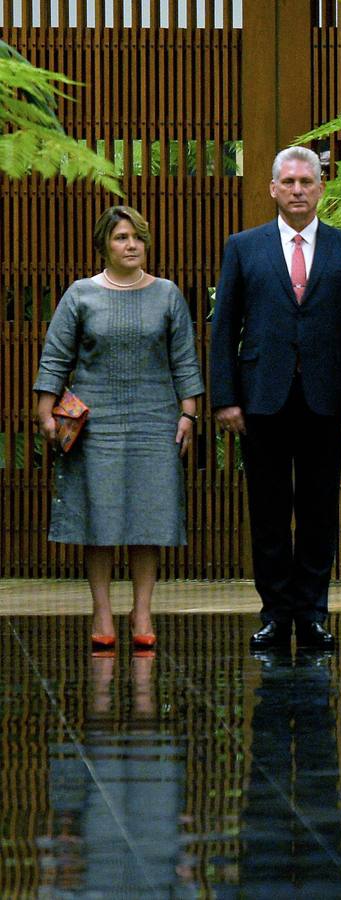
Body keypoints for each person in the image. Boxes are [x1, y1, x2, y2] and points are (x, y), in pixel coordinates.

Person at [210, 146, 341, 653]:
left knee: (318, 514)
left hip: (327, 402)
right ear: (272, 189)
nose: (299, 189)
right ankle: (274, 614)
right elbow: (224, 331)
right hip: (261, 399)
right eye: (289, 182)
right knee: (266, 513)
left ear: (322, 187)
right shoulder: (244, 247)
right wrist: (225, 398)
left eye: (308, 181)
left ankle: (312, 615)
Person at [33, 205, 204, 652]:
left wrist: (188, 413)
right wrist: (45, 409)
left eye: (138, 238)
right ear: (103, 244)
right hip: (97, 422)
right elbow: (56, 356)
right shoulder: (80, 295)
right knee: (100, 518)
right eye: (121, 238)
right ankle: (103, 609)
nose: (131, 246)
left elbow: (184, 359)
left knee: (150, 518)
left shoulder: (167, 294)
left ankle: (143, 610)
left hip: (155, 419)